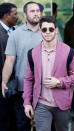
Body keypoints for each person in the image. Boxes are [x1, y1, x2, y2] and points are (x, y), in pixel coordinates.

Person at [23, 16, 74, 131]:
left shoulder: (69, 51)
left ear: (56, 30)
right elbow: (28, 79)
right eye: (44, 30)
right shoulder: (32, 53)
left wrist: (60, 82)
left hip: (62, 104)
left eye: (51, 29)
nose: (48, 32)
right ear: (40, 31)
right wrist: (27, 102)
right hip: (41, 104)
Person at [1, 1, 42, 130]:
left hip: (46, 88)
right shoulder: (15, 34)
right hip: (23, 89)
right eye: (32, 11)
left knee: (45, 125)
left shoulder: (49, 31)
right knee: (22, 124)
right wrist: (4, 81)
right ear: (25, 14)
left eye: (38, 11)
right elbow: (9, 60)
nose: (36, 14)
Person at [0, 3, 18, 131]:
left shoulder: (14, 31)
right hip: (4, 83)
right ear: (6, 16)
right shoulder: (1, 35)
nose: (17, 17)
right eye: (15, 14)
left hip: (13, 84)